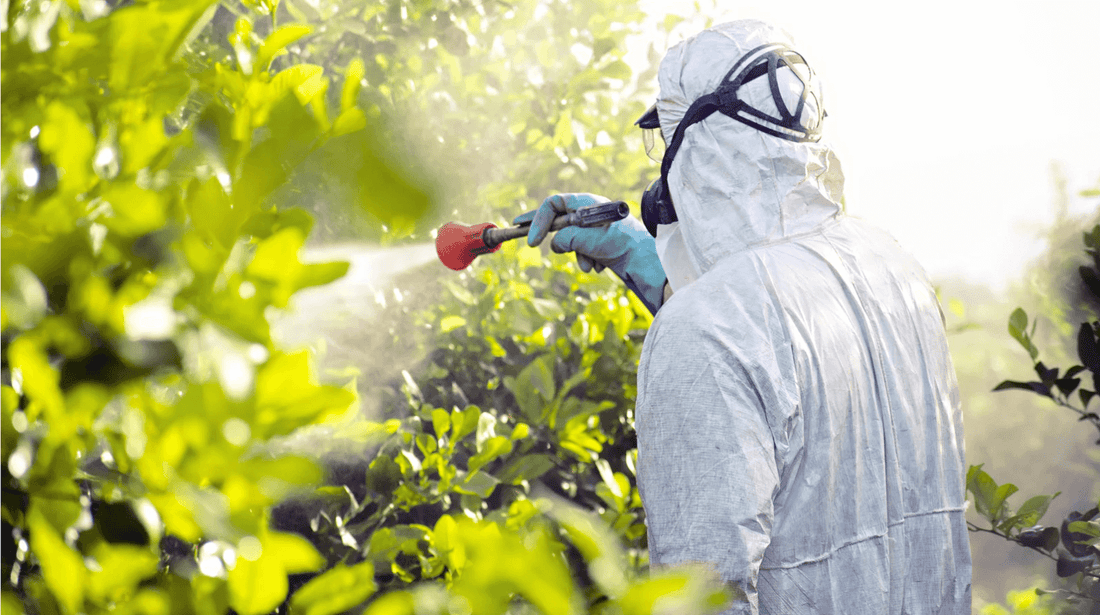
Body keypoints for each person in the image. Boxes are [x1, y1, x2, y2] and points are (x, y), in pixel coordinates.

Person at [517, 19, 972, 615]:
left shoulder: (705, 330)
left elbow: (702, 595)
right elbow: (775, 339)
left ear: (699, 146)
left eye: (667, 139)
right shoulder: (893, 269)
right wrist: (635, 250)